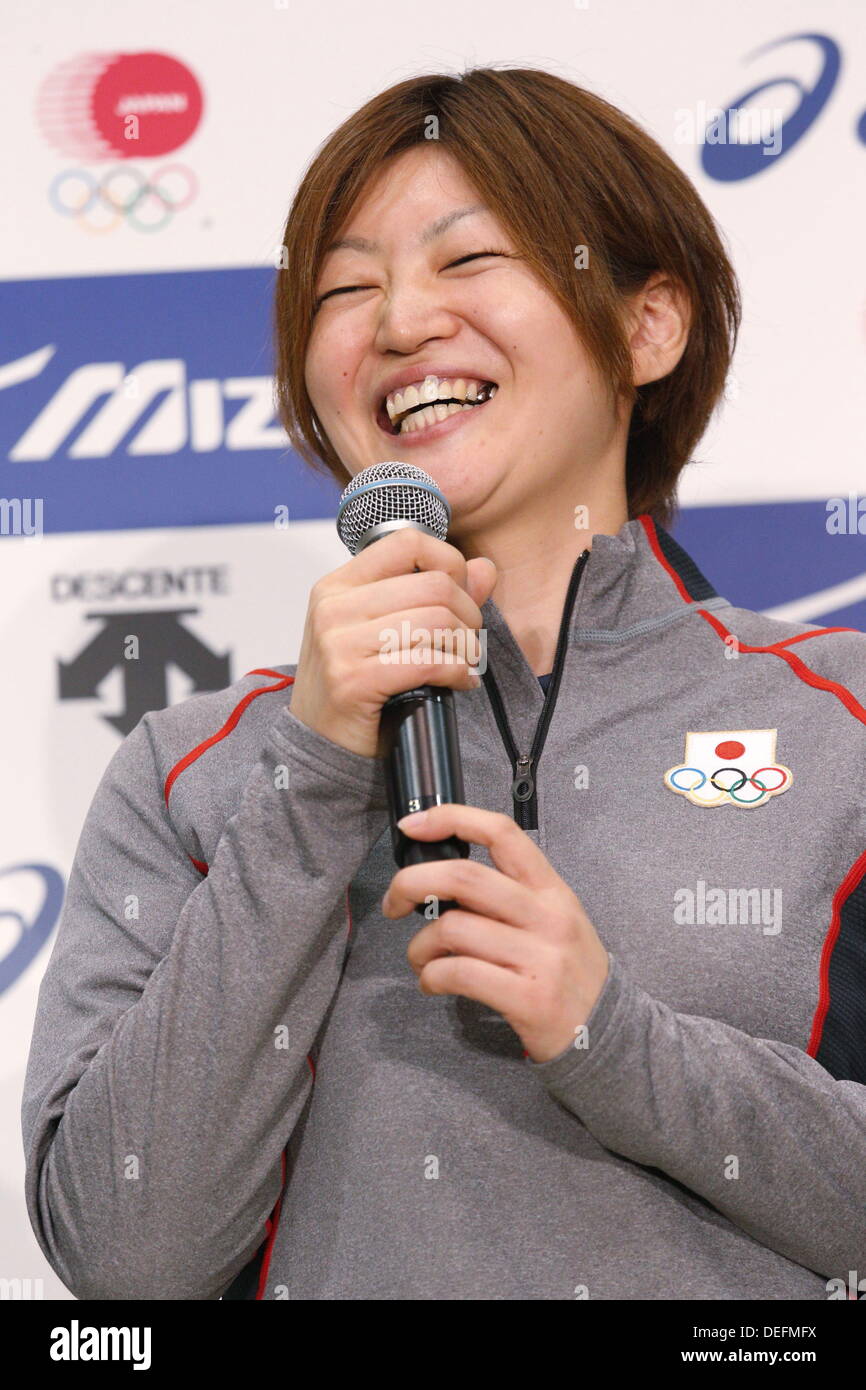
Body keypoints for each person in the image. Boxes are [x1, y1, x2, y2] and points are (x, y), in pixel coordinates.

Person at [22, 66, 866, 1302]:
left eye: (467, 261)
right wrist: (312, 772)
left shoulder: (838, 721)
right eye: (345, 288)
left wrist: (612, 1037)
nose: (400, 320)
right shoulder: (186, 769)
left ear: (648, 326)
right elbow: (125, 1262)